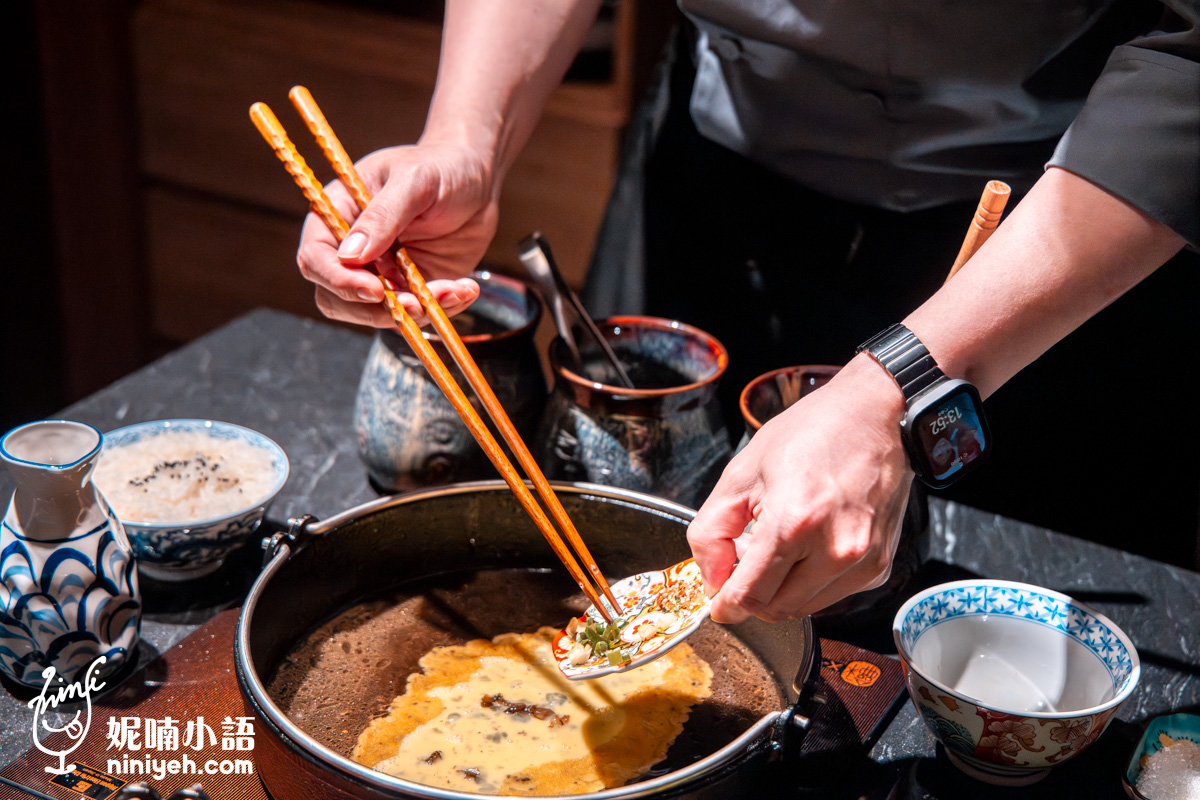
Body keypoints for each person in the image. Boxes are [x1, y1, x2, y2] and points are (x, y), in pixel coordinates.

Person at [294, 0, 1198, 624]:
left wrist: (903, 388)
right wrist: (466, 138)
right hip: (714, 182)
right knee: (637, 551)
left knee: (1007, 650)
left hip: (1060, 233)